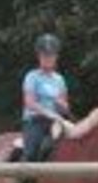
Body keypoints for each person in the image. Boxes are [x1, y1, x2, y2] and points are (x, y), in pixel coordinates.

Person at [21, 33, 71, 162]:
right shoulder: (32, 76)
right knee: (31, 152)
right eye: (44, 55)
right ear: (39, 57)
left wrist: (62, 105)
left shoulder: (59, 79)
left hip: (57, 122)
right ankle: (24, 180)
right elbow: (29, 103)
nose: (47, 58)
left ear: (56, 57)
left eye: (51, 55)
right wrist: (49, 114)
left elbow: (65, 107)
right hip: (35, 121)